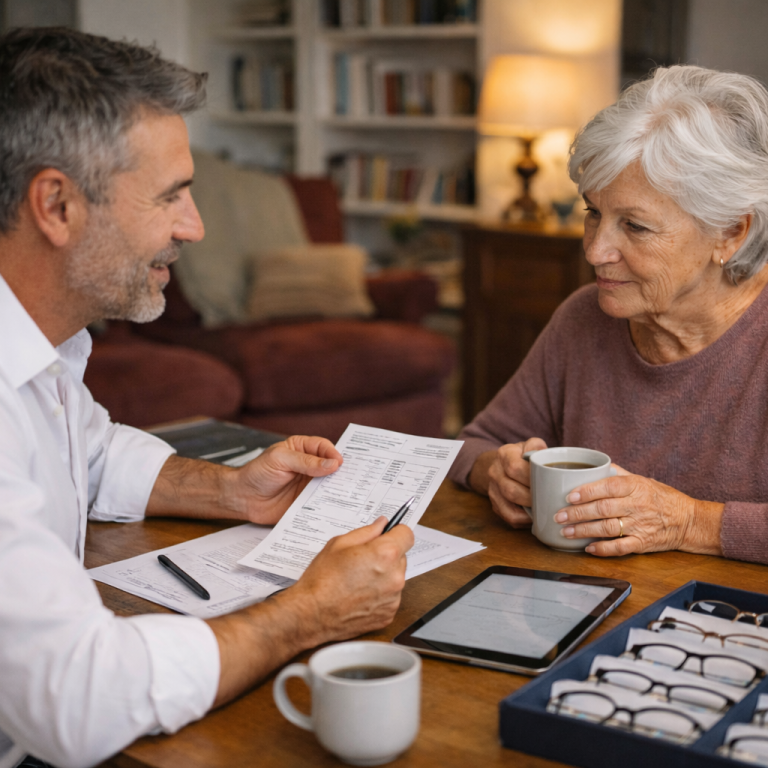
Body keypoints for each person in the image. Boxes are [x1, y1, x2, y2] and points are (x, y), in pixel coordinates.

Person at [0, 27, 414, 768]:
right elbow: (82, 700)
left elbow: (90, 453)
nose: (194, 227)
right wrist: (306, 614)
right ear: (56, 205)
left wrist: (235, 493)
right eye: (170, 196)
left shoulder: (43, 347)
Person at [449, 65, 768, 566]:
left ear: (731, 233)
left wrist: (690, 522)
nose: (596, 251)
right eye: (593, 212)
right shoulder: (583, 318)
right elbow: (474, 444)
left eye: (636, 226)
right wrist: (496, 472)